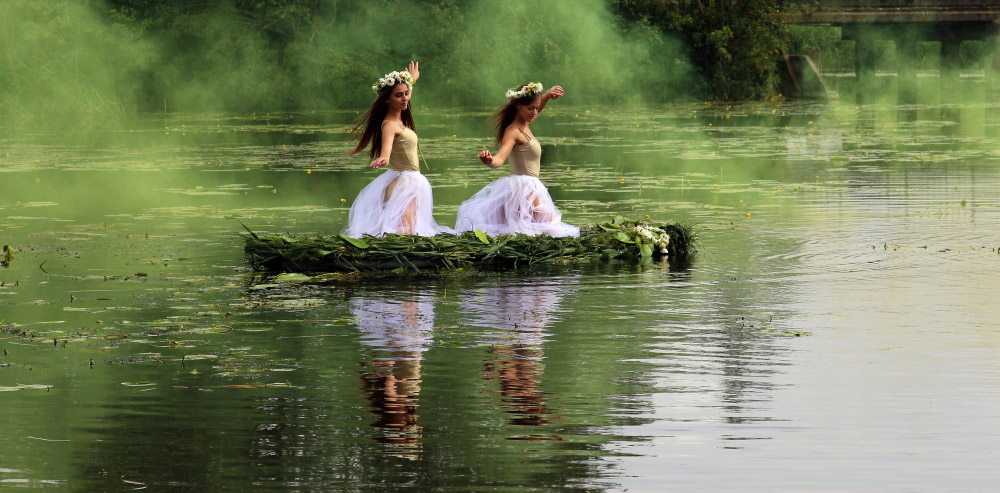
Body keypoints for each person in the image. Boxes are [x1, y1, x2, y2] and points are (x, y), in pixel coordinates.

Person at [455, 82, 579, 237]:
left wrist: (546, 96)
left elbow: (536, 109)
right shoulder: (513, 131)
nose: (534, 112)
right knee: (547, 225)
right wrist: (489, 161)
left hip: (531, 187)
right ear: (518, 105)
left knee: (543, 227)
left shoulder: (525, 123)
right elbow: (499, 159)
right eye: (530, 108)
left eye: (536, 108)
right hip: (524, 188)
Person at [343, 61, 453, 237]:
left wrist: (412, 80)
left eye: (406, 94)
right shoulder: (389, 125)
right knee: (405, 231)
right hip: (405, 183)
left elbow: (405, 96)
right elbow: (386, 151)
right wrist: (383, 159)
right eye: (398, 95)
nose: (405, 98)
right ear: (387, 99)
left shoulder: (399, 117)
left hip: (410, 181)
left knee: (412, 229)